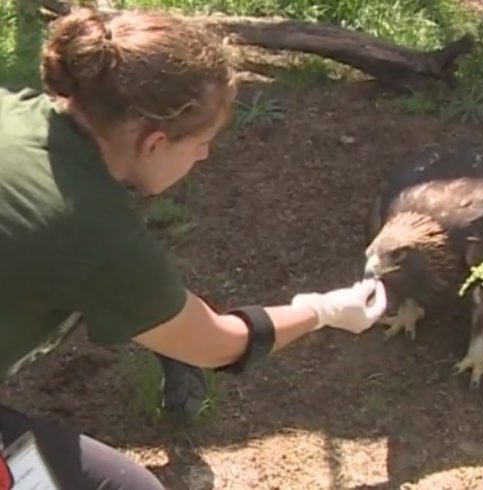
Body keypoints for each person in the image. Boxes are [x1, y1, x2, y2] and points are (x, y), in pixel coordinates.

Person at [0, 6, 387, 489]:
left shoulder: (9, 110)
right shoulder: (97, 237)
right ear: (155, 142)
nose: (204, 155)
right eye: (202, 143)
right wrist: (322, 309)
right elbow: (220, 344)